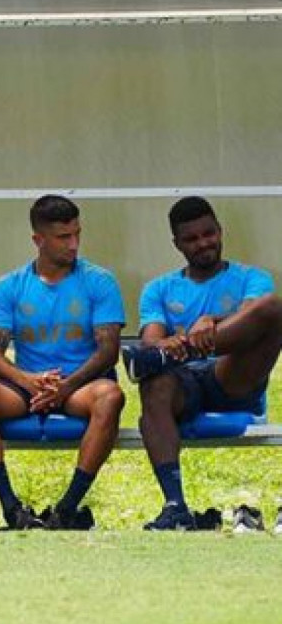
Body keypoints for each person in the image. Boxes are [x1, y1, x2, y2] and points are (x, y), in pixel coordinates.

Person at [0, 195, 126, 530]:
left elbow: (108, 351)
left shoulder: (99, 281)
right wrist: (29, 381)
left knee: (110, 396)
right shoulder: (10, 285)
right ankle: (12, 510)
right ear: (38, 240)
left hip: (79, 386)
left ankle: (66, 510)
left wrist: (65, 387)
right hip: (28, 388)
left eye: (77, 234)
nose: (74, 244)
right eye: (64, 237)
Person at [124, 196, 282, 531]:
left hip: (233, 375)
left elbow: (256, 317)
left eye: (208, 234)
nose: (203, 243)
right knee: (154, 383)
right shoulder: (159, 288)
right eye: (192, 238)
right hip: (185, 383)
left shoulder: (251, 278)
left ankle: (181, 353)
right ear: (177, 244)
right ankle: (175, 508)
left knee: (273, 306)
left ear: (220, 231)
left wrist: (211, 322)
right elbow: (151, 341)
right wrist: (164, 346)